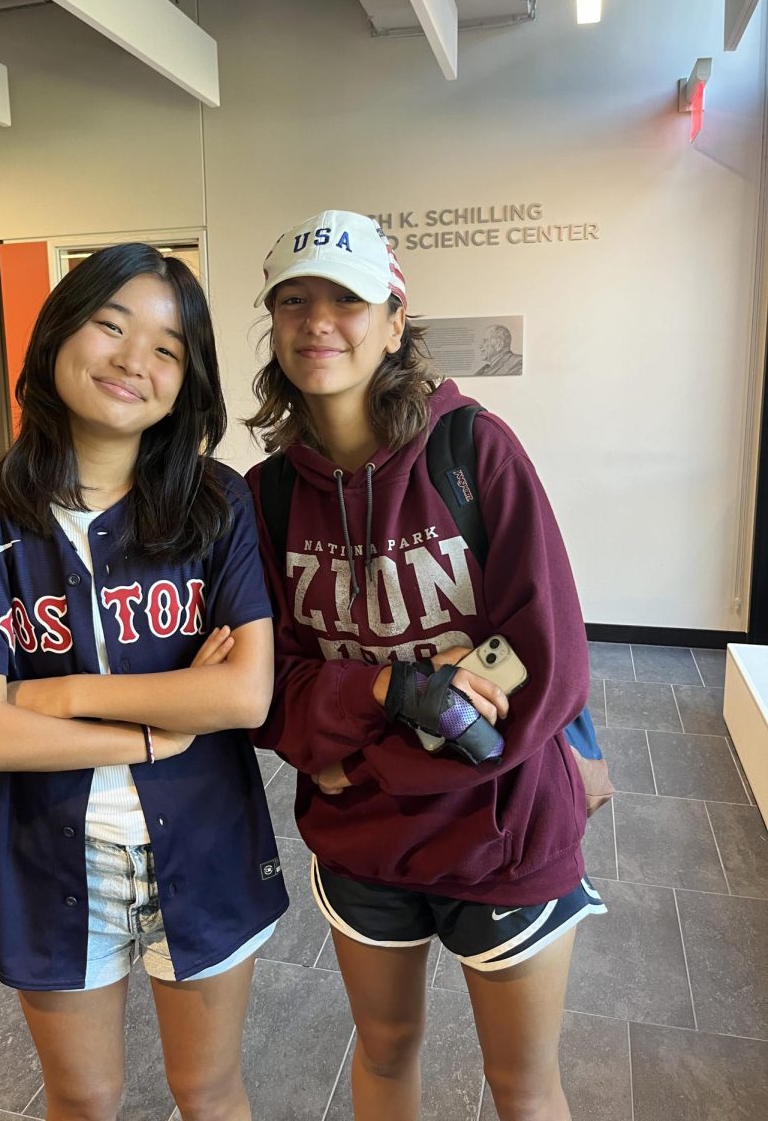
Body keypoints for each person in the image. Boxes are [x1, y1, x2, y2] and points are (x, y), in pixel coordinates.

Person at [0, 243, 288, 1121]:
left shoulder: (217, 505)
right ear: (56, 336)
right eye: (110, 325)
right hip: (44, 855)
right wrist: (160, 729)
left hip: (207, 842)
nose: (132, 361)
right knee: (83, 1098)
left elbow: (242, 696)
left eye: (166, 348)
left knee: (210, 1091)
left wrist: (61, 694)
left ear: (186, 383)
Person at [244, 210, 604, 1121]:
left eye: (347, 301)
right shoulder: (270, 494)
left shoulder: (472, 451)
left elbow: (547, 657)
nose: (318, 321)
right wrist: (389, 696)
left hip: (503, 828)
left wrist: (355, 758)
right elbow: (268, 686)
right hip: (365, 845)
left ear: (394, 321)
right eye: (294, 300)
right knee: (385, 1053)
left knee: (522, 1085)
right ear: (273, 322)